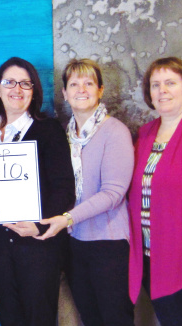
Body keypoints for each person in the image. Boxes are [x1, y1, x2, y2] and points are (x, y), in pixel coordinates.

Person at [0, 57, 75, 325]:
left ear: (34, 90)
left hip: (38, 247)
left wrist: (38, 225)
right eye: (10, 82)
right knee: (10, 318)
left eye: (26, 83)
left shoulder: (48, 130)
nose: (17, 89)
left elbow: (64, 189)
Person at [38, 59, 134, 325]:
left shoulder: (115, 132)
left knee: (115, 319)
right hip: (73, 243)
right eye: (74, 84)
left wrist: (67, 218)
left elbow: (113, 193)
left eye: (89, 83)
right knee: (90, 318)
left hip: (109, 244)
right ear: (65, 93)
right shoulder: (63, 136)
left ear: (100, 90)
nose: (82, 89)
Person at [128, 57, 182, 326]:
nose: (162, 90)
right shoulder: (145, 134)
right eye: (155, 85)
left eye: (170, 83)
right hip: (150, 257)